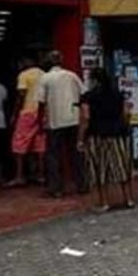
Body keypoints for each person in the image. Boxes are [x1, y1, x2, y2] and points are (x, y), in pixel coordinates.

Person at [77, 67, 135, 212]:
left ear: (94, 80)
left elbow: (85, 118)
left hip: (97, 135)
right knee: (122, 165)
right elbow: (126, 113)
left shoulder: (88, 97)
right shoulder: (118, 94)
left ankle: (104, 202)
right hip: (118, 134)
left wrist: (80, 139)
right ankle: (128, 199)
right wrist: (124, 127)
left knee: (99, 168)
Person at [38, 50, 86, 199]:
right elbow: (83, 93)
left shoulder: (45, 78)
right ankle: (82, 184)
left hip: (55, 120)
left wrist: (40, 120)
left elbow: (41, 102)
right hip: (73, 117)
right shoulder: (72, 75)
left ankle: (56, 188)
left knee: (54, 155)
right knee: (75, 153)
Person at [7, 54, 46, 187]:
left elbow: (21, 96)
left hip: (27, 113)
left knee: (19, 144)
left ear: (25, 61)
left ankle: (19, 176)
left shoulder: (24, 75)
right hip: (42, 113)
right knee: (40, 145)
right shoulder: (43, 74)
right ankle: (41, 175)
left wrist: (14, 114)